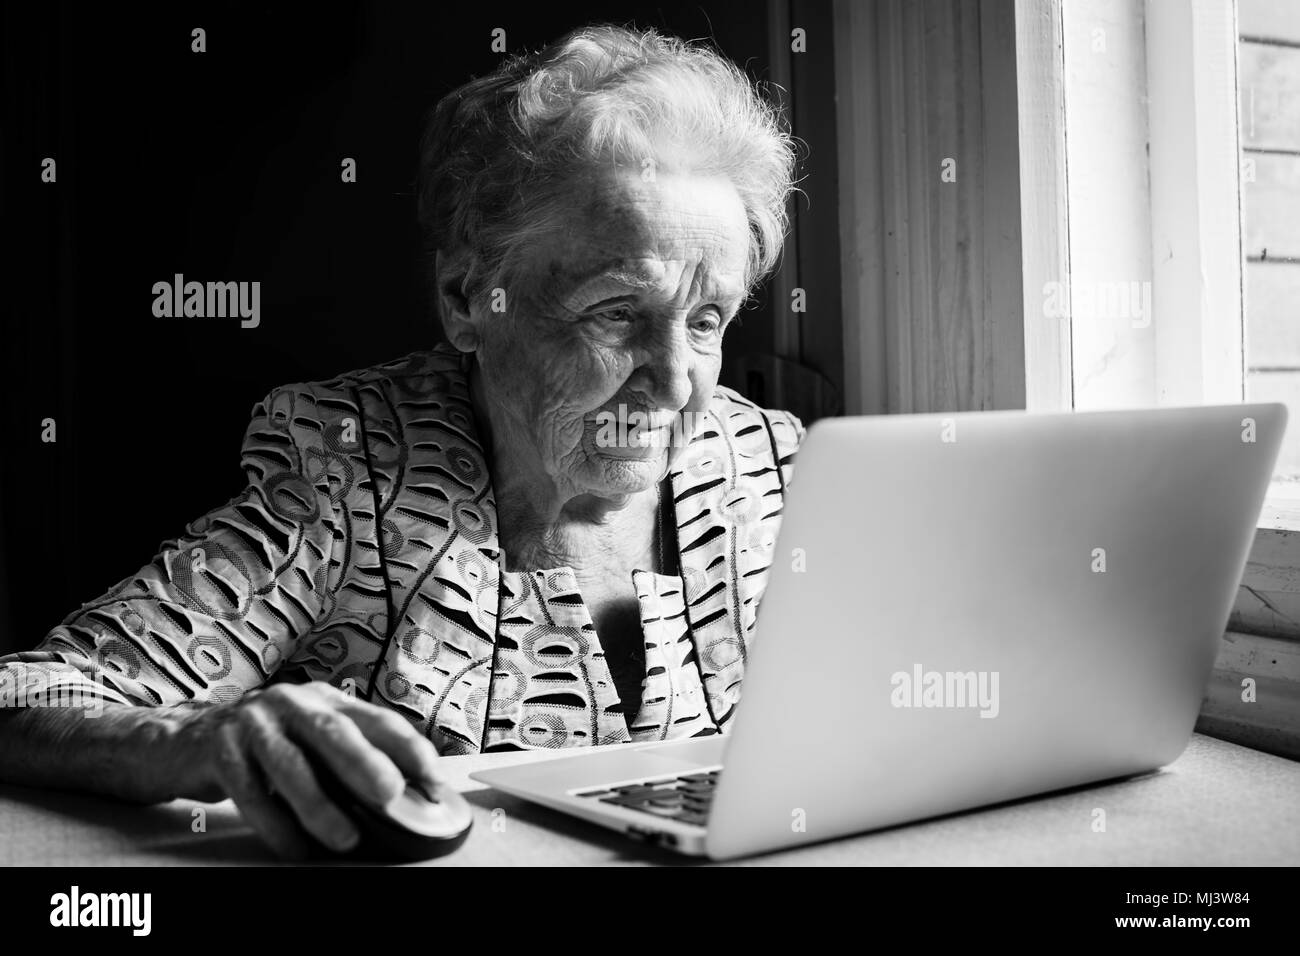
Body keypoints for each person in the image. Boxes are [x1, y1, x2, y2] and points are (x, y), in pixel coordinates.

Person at [0, 24, 802, 859]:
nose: (676, 383)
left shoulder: (778, 470)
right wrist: (197, 739)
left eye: (706, 320)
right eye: (618, 312)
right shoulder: (349, 473)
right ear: (466, 298)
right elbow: (20, 694)